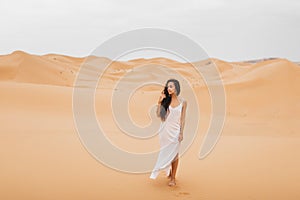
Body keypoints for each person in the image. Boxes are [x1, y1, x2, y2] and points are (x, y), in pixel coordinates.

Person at [149, 78, 187, 186]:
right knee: (168, 151)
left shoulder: (183, 102)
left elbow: (182, 119)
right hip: (165, 131)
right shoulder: (166, 101)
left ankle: (173, 178)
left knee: (175, 154)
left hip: (175, 131)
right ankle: (170, 173)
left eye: (171, 86)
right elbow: (159, 115)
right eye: (168, 86)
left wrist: (181, 133)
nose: (169, 88)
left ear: (176, 88)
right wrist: (160, 102)